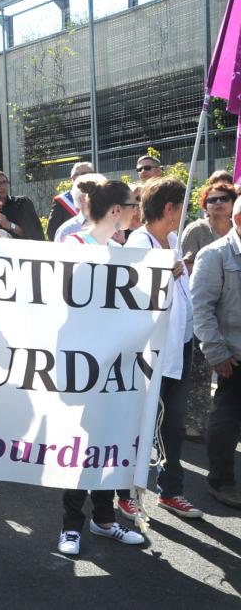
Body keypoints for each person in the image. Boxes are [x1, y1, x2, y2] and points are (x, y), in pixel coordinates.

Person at [57, 177, 146, 556]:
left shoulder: (121, 249)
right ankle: (70, 525)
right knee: (81, 446)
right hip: (81, 364)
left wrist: (166, 276)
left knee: (109, 440)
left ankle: (104, 518)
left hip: (115, 366)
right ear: (115, 211)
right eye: (131, 206)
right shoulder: (73, 245)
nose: (135, 212)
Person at [123, 178, 203, 519]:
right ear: (169, 208)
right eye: (182, 204)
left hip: (179, 347)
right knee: (139, 424)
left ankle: (170, 491)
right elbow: (130, 300)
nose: (186, 211)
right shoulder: (138, 245)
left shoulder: (172, 240)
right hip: (149, 354)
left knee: (172, 425)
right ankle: (125, 491)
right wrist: (160, 277)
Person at [192, 196, 241, 509]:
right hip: (233, 356)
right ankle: (221, 482)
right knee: (226, 419)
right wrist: (217, 353)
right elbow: (202, 309)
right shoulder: (214, 255)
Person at [181, 175, 236, 272]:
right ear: (205, 206)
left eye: (224, 198)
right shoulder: (196, 230)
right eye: (212, 200)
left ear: (233, 203)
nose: (218, 202)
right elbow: (185, 267)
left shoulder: (238, 228)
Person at [0, 170, 44, 240]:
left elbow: (35, 235)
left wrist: (8, 224)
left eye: (4, 182)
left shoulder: (22, 203)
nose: (2, 187)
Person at [48, 161, 94, 240]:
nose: (90, 176)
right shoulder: (62, 201)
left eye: (92, 174)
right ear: (73, 178)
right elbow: (52, 232)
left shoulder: (101, 198)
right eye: (85, 174)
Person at [53, 177, 100, 243]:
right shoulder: (66, 230)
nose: (104, 198)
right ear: (83, 199)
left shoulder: (110, 224)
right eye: (99, 195)